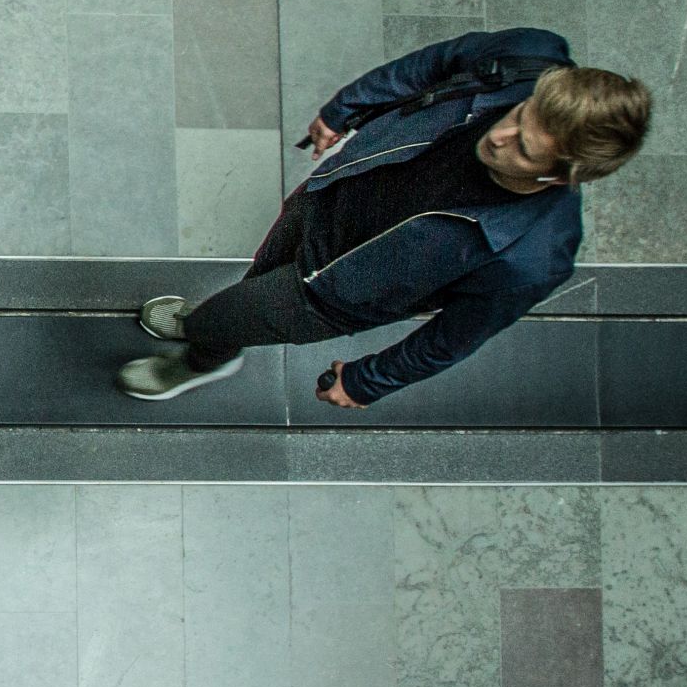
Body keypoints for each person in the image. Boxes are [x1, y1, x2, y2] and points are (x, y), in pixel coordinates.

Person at [121, 28, 651, 406]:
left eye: (525, 150)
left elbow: (453, 338)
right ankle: (223, 323)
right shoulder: (529, 57)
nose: (498, 135)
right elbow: (434, 64)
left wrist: (368, 381)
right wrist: (349, 106)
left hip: (329, 296)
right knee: (252, 285)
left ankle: (203, 353)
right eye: (520, 115)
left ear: (558, 178)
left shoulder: (533, 257)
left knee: (223, 316)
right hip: (326, 199)